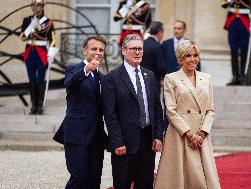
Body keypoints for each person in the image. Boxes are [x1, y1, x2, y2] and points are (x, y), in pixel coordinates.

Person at [155, 40, 221, 189]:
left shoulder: (206, 78)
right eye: (188, 55)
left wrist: (202, 133)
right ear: (180, 59)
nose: (193, 59)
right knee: (182, 178)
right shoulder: (171, 79)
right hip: (181, 134)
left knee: (204, 180)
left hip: (202, 135)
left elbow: (210, 109)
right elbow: (171, 111)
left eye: (196, 55)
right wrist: (190, 135)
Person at [102, 34, 164, 189]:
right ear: (123, 50)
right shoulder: (112, 78)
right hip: (124, 143)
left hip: (148, 142)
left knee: (145, 184)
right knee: (122, 184)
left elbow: (157, 108)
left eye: (140, 49)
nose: (137, 52)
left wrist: (158, 135)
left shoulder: (149, 75)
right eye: (133, 49)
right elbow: (110, 114)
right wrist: (117, 141)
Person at [55, 36, 107, 189]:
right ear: (85, 51)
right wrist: (86, 69)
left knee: (94, 180)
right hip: (76, 134)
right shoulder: (74, 69)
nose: (98, 52)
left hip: (96, 137)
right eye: (94, 49)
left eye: (101, 50)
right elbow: (69, 83)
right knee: (79, 179)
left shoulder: (103, 78)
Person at [19, 0, 56, 114]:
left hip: (42, 52)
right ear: (32, 7)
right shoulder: (27, 20)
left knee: (40, 79)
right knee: (32, 79)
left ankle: (40, 105)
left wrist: (51, 55)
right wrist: (31, 25)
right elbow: (22, 38)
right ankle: (33, 105)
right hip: (30, 52)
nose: (36, 8)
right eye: (34, 6)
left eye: (39, 5)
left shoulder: (48, 22)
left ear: (43, 7)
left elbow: (53, 40)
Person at [220, 0, 251, 85]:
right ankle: (235, 76)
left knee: (244, 51)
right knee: (233, 50)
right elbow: (224, 5)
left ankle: (243, 77)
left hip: (245, 21)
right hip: (232, 22)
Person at [140, 21, 165, 89]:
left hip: (140, 80)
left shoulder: (141, 44)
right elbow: (161, 66)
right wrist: (163, 77)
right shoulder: (158, 46)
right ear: (159, 32)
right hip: (154, 82)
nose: (162, 35)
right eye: (163, 33)